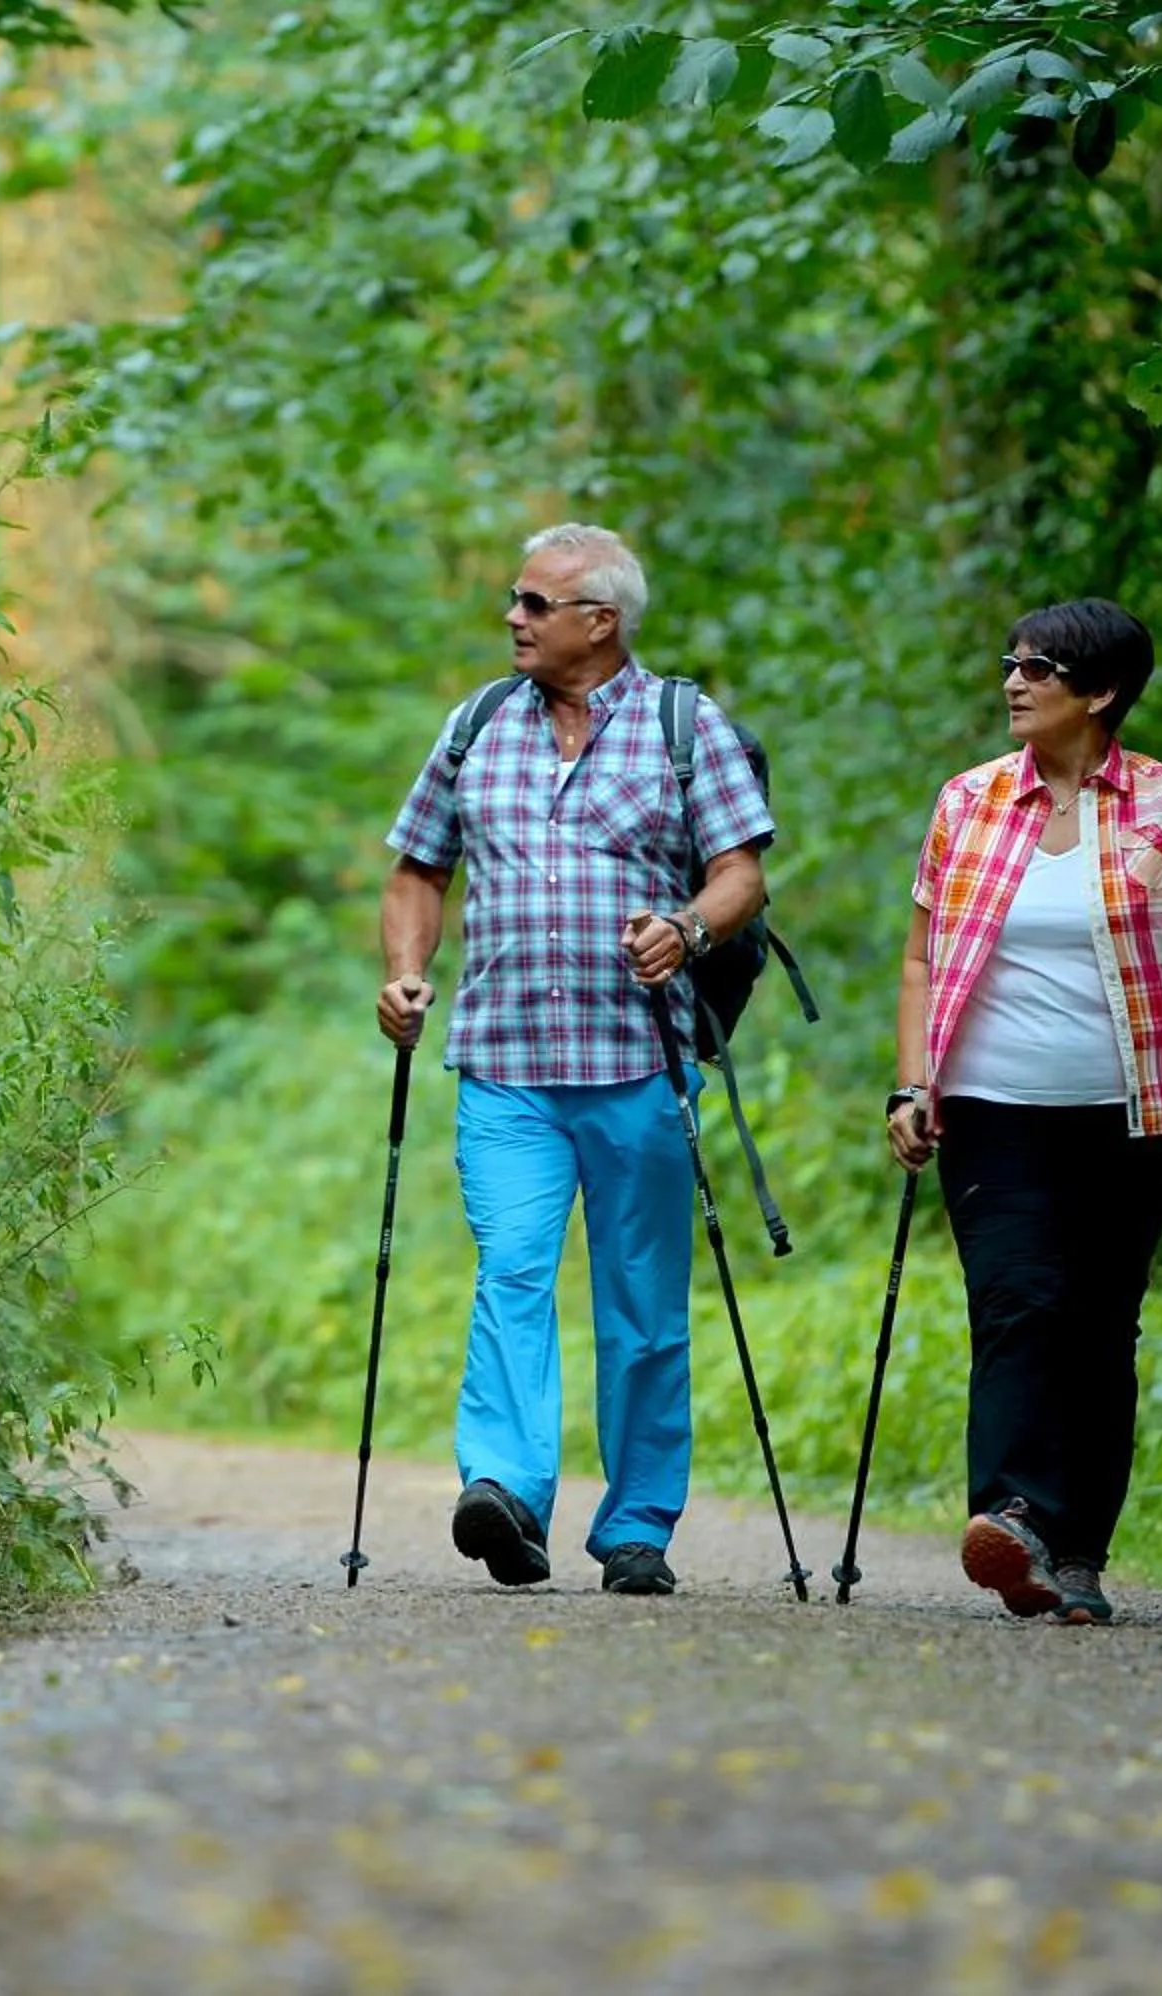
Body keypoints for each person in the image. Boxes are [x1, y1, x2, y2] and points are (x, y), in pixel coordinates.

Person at [377, 523, 774, 1596]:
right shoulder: (476, 726)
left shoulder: (687, 727)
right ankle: (505, 1487)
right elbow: (419, 868)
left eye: (533, 603)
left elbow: (743, 875)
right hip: (505, 1062)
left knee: (642, 1303)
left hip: (640, 1065)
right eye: (515, 601)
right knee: (511, 1270)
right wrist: (409, 970)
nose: (512, 617)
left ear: (599, 622)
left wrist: (688, 928)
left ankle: (637, 1522)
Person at [885, 598, 1162, 1628]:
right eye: (1010, 662)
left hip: (1137, 1105)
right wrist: (913, 1082)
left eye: (1038, 668)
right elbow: (919, 957)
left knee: (1098, 1325)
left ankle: (1077, 1551)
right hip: (992, 1103)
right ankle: (1012, 1515)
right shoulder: (966, 801)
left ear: (1100, 692)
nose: (1012, 681)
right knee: (1016, 1303)